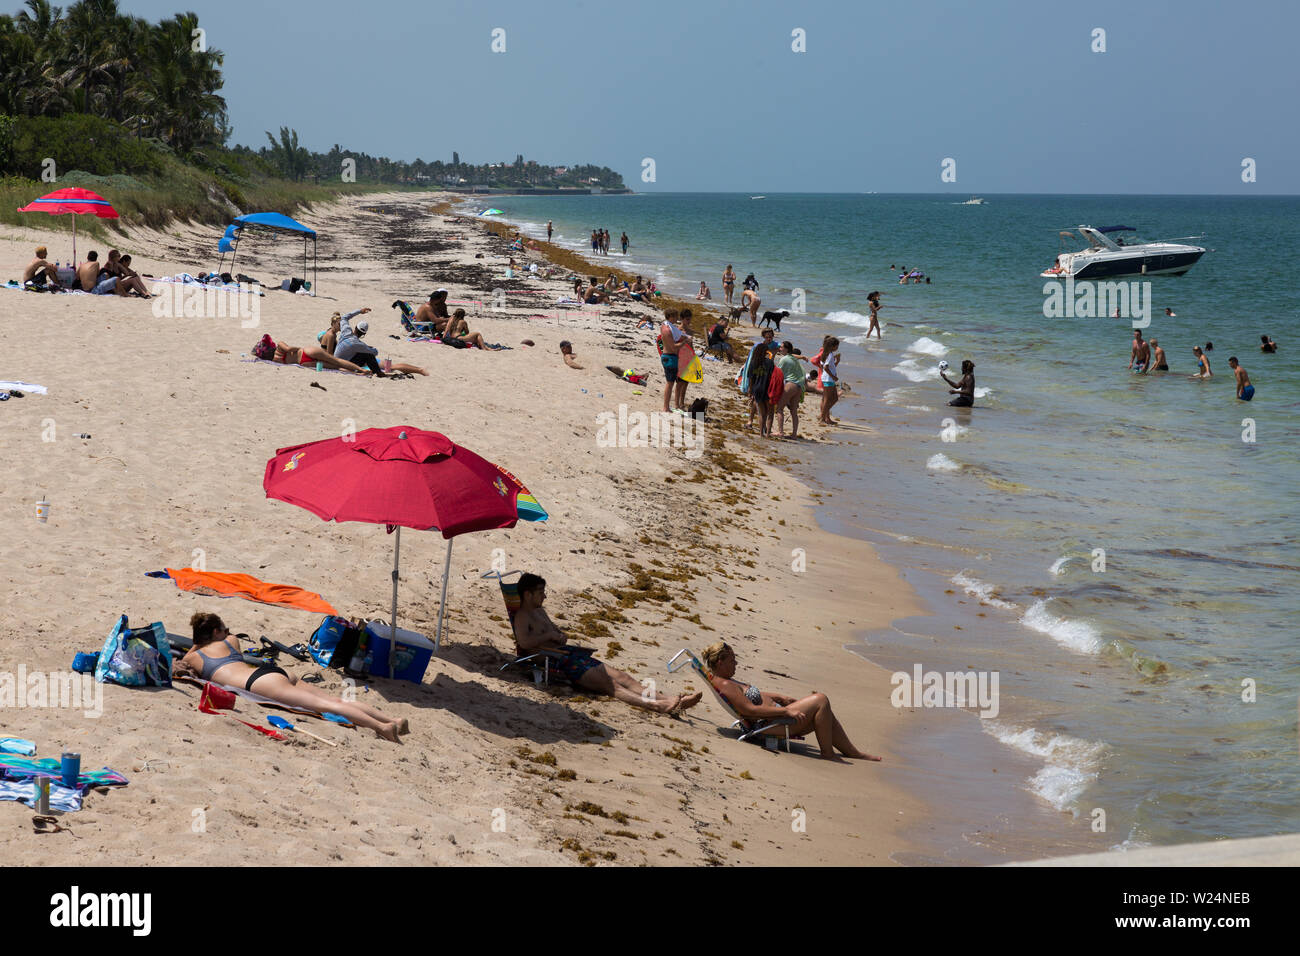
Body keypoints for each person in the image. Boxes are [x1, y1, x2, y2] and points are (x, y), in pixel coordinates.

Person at [173, 613, 407, 742]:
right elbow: (228, 635)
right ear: (217, 632)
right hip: (273, 672)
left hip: (260, 684)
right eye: (223, 628)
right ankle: (391, 720)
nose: (227, 631)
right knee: (335, 701)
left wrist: (197, 642)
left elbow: (187, 657)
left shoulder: (196, 658)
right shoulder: (231, 641)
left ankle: (381, 727)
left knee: (325, 706)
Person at [513, 574, 702, 715]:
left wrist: (560, 636)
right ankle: (658, 705)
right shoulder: (523, 616)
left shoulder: (540, 612)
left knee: (623, 677)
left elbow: (556, 632)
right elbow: (524, 643)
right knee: (610, 685)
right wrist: (549, 635)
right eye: (540, 593)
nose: (544, 596)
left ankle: (670, 699)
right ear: (528, 594)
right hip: (556, 661)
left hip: (567, 654)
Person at [701, 642, 881, 761]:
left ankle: (853, 753)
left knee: (823, 709)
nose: (736, 664)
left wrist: (780, 698)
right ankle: (827, 754)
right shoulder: (725, 684)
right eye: (732, 660)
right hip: (768, 725)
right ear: (720, 662)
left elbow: (751, 696)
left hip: (773, 719)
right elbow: (750, 711)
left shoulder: (727, 681)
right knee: (821, 700)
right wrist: (786, 711)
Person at [252, 333, 370, 373]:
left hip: (304, 363)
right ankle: (361, 370)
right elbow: (288, 349)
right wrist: (298, 348)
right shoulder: (279, 346)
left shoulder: (274, 360)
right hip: (305, 352)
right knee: (336, 361)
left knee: (336, 367)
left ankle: (357, 372)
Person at [774, 341, 806, 438]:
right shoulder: (794, 359)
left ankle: (780, 432)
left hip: (790, 385)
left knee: (779, 408)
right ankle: (794, 434)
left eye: (782, 347)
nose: (780, 348)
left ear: (787, 349)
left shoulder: (784, 359)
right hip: (799, 387)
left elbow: (777, 374)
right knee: (793, 411)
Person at [658, 308, 687, 413]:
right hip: (669, 357)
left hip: (670, 357)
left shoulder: (667, 326)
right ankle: (666, 407)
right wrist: (685, 342)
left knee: (670, 383)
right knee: (670, 383)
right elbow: (674, 347)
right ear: (671, 317)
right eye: (675, 317)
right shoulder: (667, 329)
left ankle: (667, 406)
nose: (676, 319)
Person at [817, 335, 842, 424]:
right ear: (832, 346)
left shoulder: (826, 353)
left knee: (834, 398)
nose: (837, 348)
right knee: (828, 400)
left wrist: (837, 361)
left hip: (827, 379)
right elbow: (826, 367)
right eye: (836, 346)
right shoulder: (830, 355)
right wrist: (833, 376)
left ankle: (825, 417)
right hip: (828, 379)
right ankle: (822, 417)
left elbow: (826, 367)